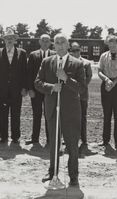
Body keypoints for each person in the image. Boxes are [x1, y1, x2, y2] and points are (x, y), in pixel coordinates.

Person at [35, 33, 86, 186]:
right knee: (54, 145)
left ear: (68, 44)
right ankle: (53, 173)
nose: (60, 44)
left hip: (71, 112)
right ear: (54, 45)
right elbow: (37, 82)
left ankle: (73, 176)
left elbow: (82, 88)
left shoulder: (77, 64)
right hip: (52, 109)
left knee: (72, 145)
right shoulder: (46, 62)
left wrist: (66, 79)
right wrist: (51, 87)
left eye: (63, 42)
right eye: (57, 42)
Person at [0, 28, 27, 144]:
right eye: (7, 38)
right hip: (2, 90)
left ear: (15, 40)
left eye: (11, 38)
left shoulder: (22, 53)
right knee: (2, 113)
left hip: (17, 90)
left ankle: (15, 137)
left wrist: (24, 87)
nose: (9, 40)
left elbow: (24, 72)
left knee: (16, 113)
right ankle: (3, 136)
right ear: (4, 40)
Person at [26, 34, 56, 145]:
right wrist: (30, 89)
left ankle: (50, 139)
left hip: (49, 91)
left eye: (47, 40)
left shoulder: (55, 55)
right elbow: (29, 74)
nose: (45, 42)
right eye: (43, 40)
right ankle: (35, 139)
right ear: (39, 42)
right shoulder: (33, 55)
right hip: (36, 90)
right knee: (36, 115)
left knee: (49, 115)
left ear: (50, 42)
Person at [70, 42, 92, 154]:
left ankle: (84, 140)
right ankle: (70, 139)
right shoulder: (67, 63)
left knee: (82, 118)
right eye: (73, 50)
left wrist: (79, 89)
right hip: (70, 96)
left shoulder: (86, 63)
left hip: (82, 95)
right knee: (70, 119)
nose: (76, 52)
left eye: (77, 50)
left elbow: (88, 78)